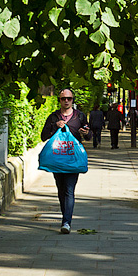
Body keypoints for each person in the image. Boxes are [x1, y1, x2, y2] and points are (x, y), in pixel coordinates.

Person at [41, 89, 90, 233]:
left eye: (69, 98)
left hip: (73, 160)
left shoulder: (80, 116)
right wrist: (55, 126)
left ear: (72, 100)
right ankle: (65, 217)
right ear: (59, 100)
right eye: (63, 98)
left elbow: (89, 136)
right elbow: (43, 136)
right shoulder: (53, 117)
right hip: (57, 159)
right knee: (61, 190)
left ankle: (66, 222)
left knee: (69, 189)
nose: (66, 101)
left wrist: (86, 133)